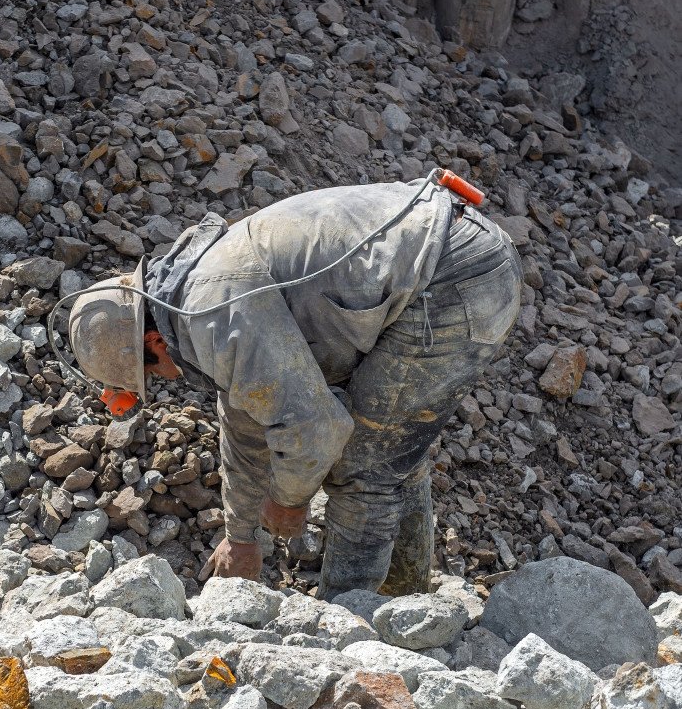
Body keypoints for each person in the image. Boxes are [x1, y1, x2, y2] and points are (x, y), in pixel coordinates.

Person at [65, 175, 521, 601]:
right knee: (392, 448)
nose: (165, 381)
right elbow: (244, 418)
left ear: (151, 340)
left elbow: (314, 428)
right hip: (446, 246)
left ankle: (348, 631)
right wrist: (240, 535)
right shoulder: (193, 298)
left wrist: (289, 501)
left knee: (361, 467)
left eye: (151, 374)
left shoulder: (212, 312)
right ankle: (402, 600)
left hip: (453, 274)